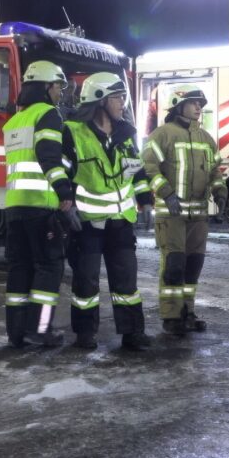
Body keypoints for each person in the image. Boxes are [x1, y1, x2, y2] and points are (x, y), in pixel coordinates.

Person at [62, 72, 154, 351]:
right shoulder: (73, 132)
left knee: (127, 282)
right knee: (86, 283)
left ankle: (132, 333)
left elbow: (135, 172)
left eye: (122, 96)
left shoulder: (126, 134)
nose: (122, 103)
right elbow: (61, 174)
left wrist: (146, 201)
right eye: (117, 97)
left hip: (121, 223)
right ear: (99, 100)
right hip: (87, 224)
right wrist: (65, 205)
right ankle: (85, 334)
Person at [141, 84, 227, 335]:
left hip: (198, 214)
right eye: (193, 102)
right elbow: (148, 167)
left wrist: (220, 192)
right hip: (172, 215)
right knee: (174, 264)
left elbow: (215, 172)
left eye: (201, 103)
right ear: (179, 105)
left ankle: (188, 311)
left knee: (193, 265)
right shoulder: (162, 134)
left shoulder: (206, 138)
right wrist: (166, 194)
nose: (199, 107)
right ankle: (171, 316)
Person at [2, 61, 77, 347]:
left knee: (19, 269)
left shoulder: (15, 121)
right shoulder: (48, 115)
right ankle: (41, 329)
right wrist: (64, 192)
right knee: (49, 267)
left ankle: (16, 332)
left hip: (14, 207)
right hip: (41, 207)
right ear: (46, 87)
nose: (60, 92)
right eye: (58, 86)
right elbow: (49, 157)